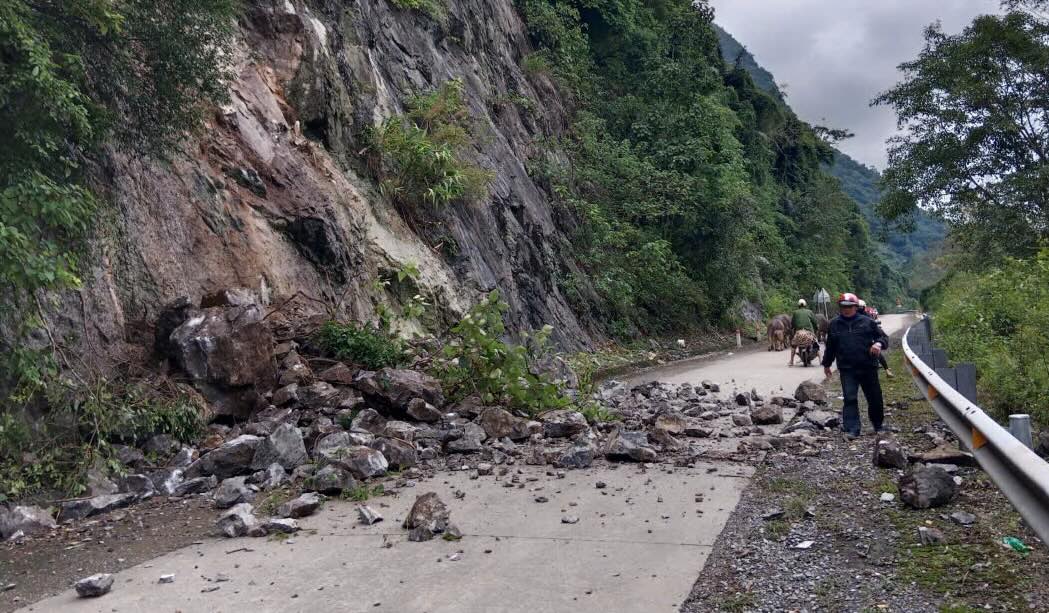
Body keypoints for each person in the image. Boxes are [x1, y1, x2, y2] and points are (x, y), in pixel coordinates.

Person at [822, 292, 890, 438]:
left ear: (855, 307)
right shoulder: (834, 324)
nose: (846, 309)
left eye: (850, 306)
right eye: (843, 306)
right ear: (840, 307)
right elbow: (830, 346)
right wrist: (826, 364)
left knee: (875, 397)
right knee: (849, 398)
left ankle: (878, 425)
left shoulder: (867, 322)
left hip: (868, 366)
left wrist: (878, 344)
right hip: (847, 369)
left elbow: (884, 337)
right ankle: (852, 429)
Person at [788, 299, 819, 366]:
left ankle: (791, 361)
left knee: (793, 346)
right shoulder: (810, 312)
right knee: (816, 343)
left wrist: (793, 328)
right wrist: (816, 328)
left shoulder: (795, 312)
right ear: (805, 305)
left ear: (798, 305)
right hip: (809, 333)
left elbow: (793, 324)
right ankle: (821, 360)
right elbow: (815, 322)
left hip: (799, 333)